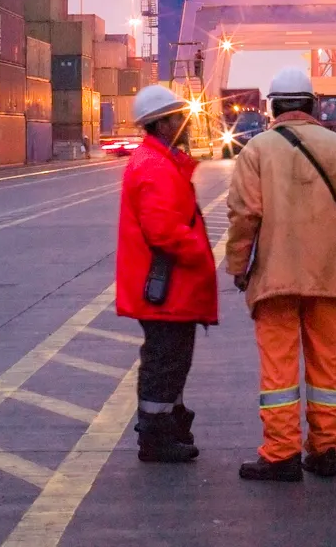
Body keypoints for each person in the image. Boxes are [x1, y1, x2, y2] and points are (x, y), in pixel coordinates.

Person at [225, 65, 336, 482]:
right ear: (313, 104)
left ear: (272, 106)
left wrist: (238, 267)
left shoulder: (256, 150)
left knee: (279, 369)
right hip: (328, 274)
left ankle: (281, 454)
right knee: (328, 366)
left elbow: (245, 216)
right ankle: (324, 451)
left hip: (275, 276)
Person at [115, 82, 217, 464]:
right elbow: (163, 230)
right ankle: (156, 438)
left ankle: (168, 425)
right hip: (167, 287)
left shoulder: (157, 161)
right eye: (180, 117)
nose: (186, 123)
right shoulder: (156, 167)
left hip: (166, 286)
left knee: (170, 360)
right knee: (165, 360)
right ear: (161, 124)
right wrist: (201, 254)